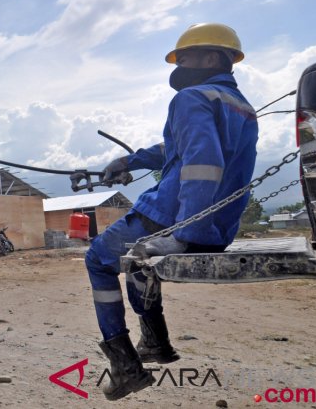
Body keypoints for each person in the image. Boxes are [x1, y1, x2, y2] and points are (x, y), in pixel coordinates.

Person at [85, 23, 258, 400]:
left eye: (186, 56)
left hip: (174, 215)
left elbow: (202, 162)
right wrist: (129, 160)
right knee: (136, 262)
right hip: (219, 226)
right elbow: (178, 148)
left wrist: (184, 232)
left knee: (98, 259)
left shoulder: (190, 97)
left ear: (213, 57)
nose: (179, 65)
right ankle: (155, 343)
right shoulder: (241, 108)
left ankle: (125, 365)